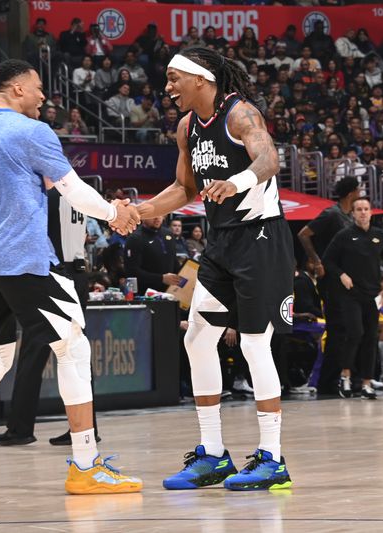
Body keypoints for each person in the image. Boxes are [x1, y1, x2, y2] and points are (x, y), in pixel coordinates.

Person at [0, 59, 142, 499]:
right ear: (15, 90)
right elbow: (72, 188)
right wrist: (115, 214)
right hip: (23, 261)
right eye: (36, 89)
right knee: (73, 348)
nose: (42, 97)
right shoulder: (32, 132)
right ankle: (86, 466)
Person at [136, 47, 294, 491]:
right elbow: (185, 188)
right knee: (198, 336)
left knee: (254, 344)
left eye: (173, 79)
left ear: (200, 79)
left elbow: (268, 161)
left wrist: (236, 181)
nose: (167, 88)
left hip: (261, 239)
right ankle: (212, 454)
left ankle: (273, 459)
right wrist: (143, 209)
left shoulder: (240, 114)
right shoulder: (187, 128)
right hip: (221, 242)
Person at [0, 185, 100, 446]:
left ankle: (20, 428)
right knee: (76, 353)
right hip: (79, 274)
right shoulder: (80, 194)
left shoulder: (45, 197)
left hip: (55, 275)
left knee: (33, 351)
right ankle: (86, 426)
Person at [322, 198, 383, 399]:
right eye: (358, 209)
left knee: (371, 337)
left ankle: (367, 382)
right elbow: (327, 261)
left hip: (373, 295)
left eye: (366, 209)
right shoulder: (344, 236)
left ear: (371, 212)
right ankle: (345, 376)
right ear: (352, 213)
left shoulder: (380, 236)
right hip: (350, 294)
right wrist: (341, 275)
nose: (362, 212)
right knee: (355, 332)